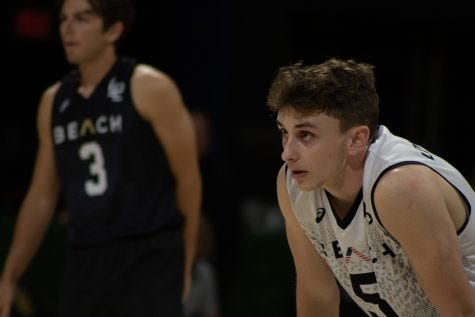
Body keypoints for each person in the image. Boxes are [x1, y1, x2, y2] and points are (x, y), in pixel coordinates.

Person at [0, 0, 202, 316]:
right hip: (85, 258)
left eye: (82, 18)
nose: (68, 28)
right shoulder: (53, 101)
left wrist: (187, 263)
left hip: (148, 255)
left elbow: (188, 180)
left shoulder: (149, 86)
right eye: (64, 18)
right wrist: (9, 274)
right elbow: (41, 195)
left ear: (113, 29)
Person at [267, 58, 475, 316]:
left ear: (356, 139)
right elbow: (317, 297)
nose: (287, 153)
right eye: (284, 132)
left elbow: (462, 311)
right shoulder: (294, 184)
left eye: (305, 135)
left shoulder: (400, 187)